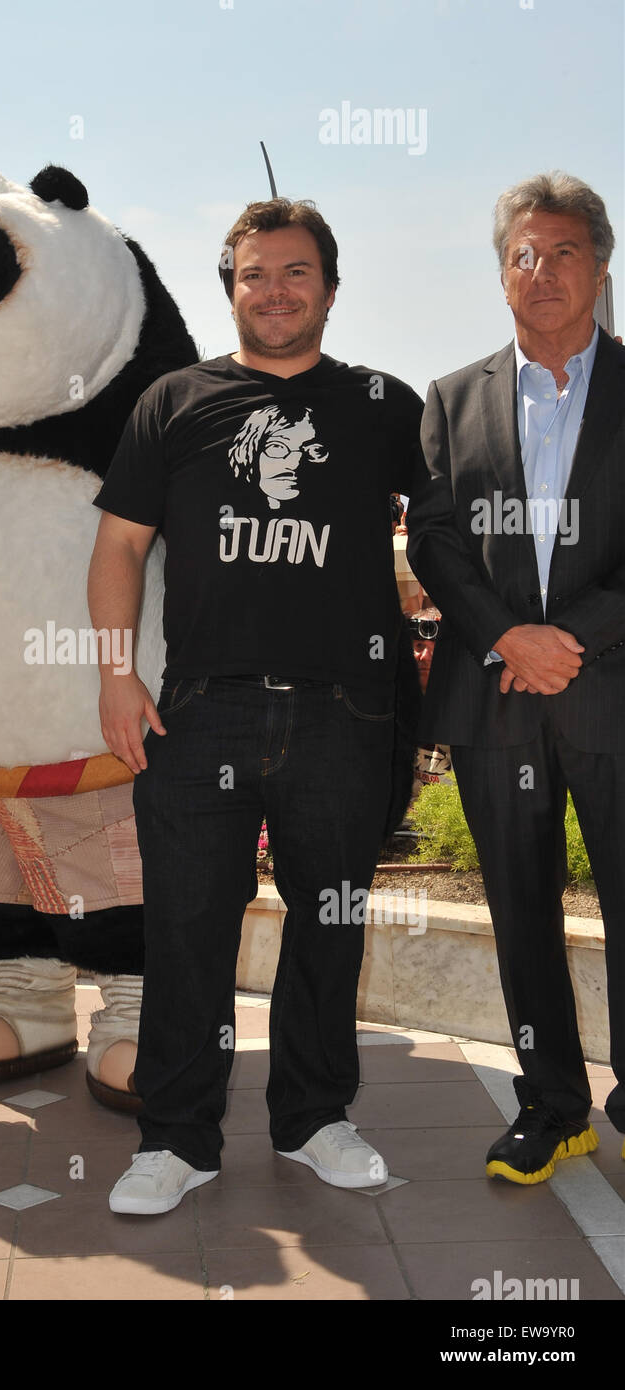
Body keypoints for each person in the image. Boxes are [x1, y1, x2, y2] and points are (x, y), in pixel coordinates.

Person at [89, 199, 427, 1213]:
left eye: (295, 272)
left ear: (329, 284)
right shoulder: (173, 401)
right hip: (200, 712)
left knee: (330, 923)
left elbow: (452, 529)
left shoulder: (385, 404)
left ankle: (315, 1119)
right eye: (254, 273)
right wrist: (114, 672)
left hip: (349, 711)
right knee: (187, 928)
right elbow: (118, 548)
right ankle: (177, 1140)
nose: (274, 290)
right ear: (228, 285)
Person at [407, 171, 625, 1184]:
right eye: (522, 256)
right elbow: (440, 544)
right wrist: (510, 637)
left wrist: (568, 637)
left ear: (600, 265)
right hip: (495, 694)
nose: (541, 272)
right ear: (502, 275)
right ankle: (552, 1106)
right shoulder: (450, 403)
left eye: (562, 252)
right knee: (520, 908)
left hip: (611, 684)